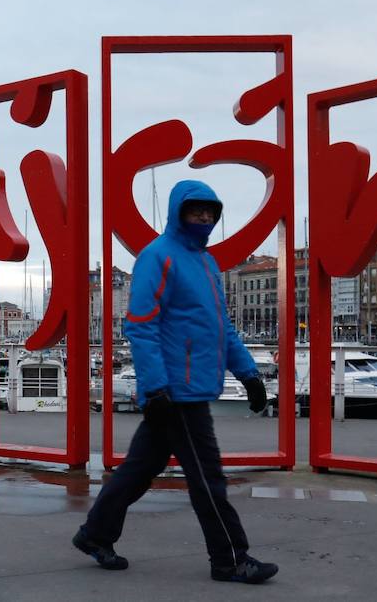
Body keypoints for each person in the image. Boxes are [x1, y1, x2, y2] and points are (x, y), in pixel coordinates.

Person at [73, 179, 278, 584]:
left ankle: (95, 535)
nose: (204, 217)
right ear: (177, 212)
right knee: (208, 478)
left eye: (210, 211)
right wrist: (156, 387)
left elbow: (223, 328)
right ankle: (230, 559)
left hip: (186, 387)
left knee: (138, 470)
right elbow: (141, 326)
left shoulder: (206, 263)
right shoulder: (157, 257)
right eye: (195, 210)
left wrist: (248, 373)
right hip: (175, 391)